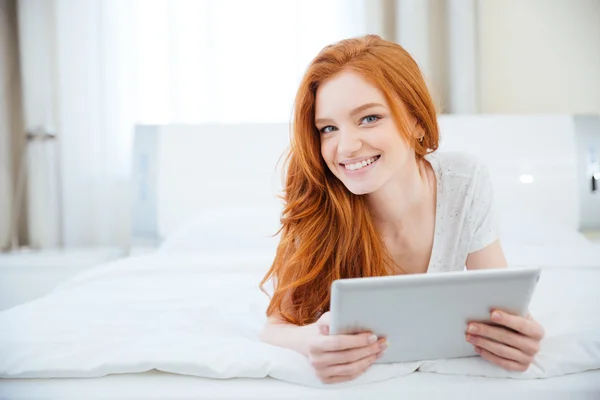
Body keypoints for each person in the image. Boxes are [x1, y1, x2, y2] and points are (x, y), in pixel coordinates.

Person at [259, 35, 544, 384]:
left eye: (369, 118)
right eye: (328, 128)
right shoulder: (321, 200)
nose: (345, 147)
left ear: (416, 120)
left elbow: (505, 304)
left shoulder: (463, 180)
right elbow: (275, 327)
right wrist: (309, 340)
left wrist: (519, 336)